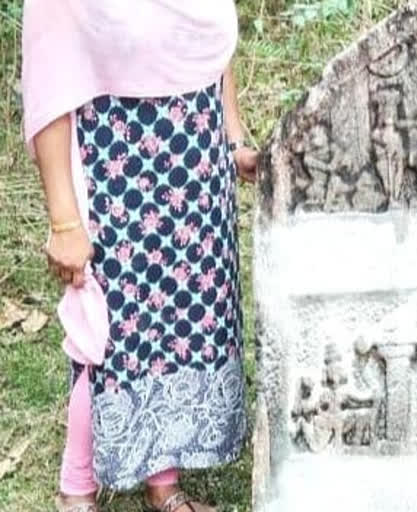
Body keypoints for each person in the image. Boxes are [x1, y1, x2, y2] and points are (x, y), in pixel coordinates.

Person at [21, 2, 260, 511]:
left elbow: (212, 49)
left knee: (180, 322)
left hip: (195, 162)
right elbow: (50, 85)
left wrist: (233, 137)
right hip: (115, 160)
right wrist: (65, 221)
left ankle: (163, 485)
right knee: (108, 330)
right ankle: (76, 491)